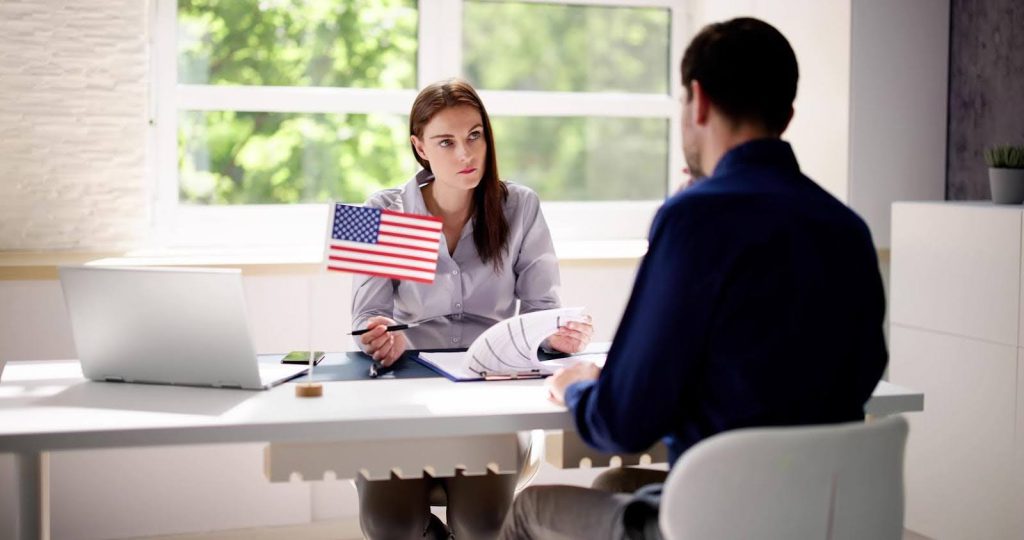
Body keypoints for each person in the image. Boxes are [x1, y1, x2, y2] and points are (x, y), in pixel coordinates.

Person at [500, 17, 888, 539]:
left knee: (527, 511)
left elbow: (622, 422)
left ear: (697, 101)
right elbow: (860, 372)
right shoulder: (847, 229)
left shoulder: (694, 218)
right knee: (617, 482)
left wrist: (578, 388)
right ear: (786, 115)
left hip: (719, 523)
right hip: (815, 517)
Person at [351, 78, 594, 540]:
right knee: (389, 523)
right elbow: (366, 317)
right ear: (419, 147)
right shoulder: (384, 211)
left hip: (491, 393)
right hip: (407, 390)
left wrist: (553, 335)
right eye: (446, 142)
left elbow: (543, 309)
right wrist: (378, 336)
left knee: (481, 525)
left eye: (475, 136)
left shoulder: (519, 207)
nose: (466, 154)